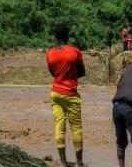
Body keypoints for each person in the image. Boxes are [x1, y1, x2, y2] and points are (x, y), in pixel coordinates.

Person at [46, 24, 86, 167]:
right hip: (70, 94)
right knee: (76, 127)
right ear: (67, 36)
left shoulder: (50, 53)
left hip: (55, 93)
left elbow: (53, 73)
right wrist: (71, 74)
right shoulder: (75, 52)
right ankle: (79, 162)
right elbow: (82, 72)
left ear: (56, 37)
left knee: (59, 126)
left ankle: (63, 163)